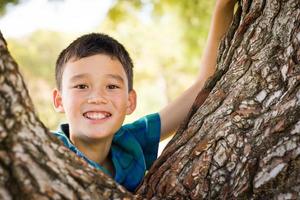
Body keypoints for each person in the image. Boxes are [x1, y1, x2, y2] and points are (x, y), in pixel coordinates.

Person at [52, 0, 237, 192]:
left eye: (112, 86)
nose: (97, 97)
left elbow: (203, 85)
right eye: (82, 86)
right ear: (59, 101)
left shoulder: (130, 142)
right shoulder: (46, 149)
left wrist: (223, 7)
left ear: (130, 102)